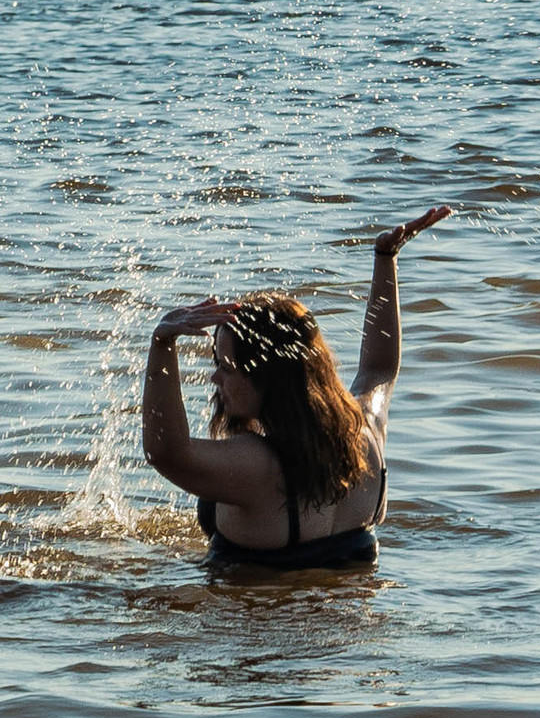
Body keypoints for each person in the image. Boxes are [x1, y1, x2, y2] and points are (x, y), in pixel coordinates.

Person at [141, 205, 451, 571]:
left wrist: (162, 344)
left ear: (267, 378)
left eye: (226, 367)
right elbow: (379, 369)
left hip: (257, 620)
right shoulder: (363, 435)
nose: (215, 378)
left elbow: (166, 454)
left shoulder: (256, 466)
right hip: (346, 618)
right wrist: (385, 259)